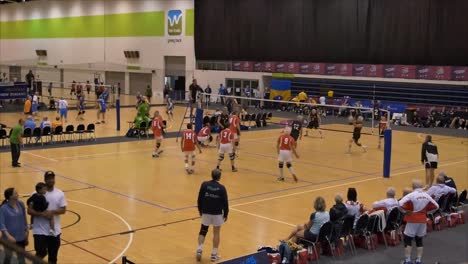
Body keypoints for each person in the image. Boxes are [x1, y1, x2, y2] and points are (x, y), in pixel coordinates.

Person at [28, 171, 67, 264]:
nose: (51, 180)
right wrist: (42, 214)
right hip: (39, 230)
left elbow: (63, 210)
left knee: (53, 258)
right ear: (45, 180)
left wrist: (51, 212)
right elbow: (29, 210)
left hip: (54, 231)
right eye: (49, 178)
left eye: (52, 178)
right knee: (41, 252)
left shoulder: (60, 193)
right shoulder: (35, 193)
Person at [399, 179, 439, 264]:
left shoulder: (411, 195)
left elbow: (400, 203)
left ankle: (408, 260)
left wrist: (405, 211)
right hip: (422, 220)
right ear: (421, 186)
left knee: (407, 239)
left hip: (412, 220)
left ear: (413, 187)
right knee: (419, 240)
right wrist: (426, 212)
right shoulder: (426, 195)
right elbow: (436, 206)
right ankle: (418, 260)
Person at [196, 169, 229, 262]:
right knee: (216, 232)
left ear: (211, 175)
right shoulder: (222, 188)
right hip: (217, 213)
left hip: (206, 211)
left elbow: (199, 198)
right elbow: (225, 203)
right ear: (219, 177)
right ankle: (214, 255)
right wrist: (226, 214)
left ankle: (199, 249)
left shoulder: (204, 184)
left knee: (203, 230)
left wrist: (200, 210)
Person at [0, 187, 29, 264]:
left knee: (21, 259)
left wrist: (26, 230)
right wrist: (9, 236)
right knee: (7, 259)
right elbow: (1, 225)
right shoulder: (3, 208)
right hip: (8, 239)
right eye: (15, 193)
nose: (18, 194)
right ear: (10, 196)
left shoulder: (21, 204)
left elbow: (24, 218)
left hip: (21, 237)